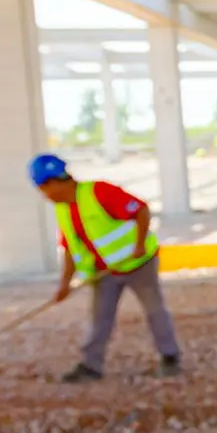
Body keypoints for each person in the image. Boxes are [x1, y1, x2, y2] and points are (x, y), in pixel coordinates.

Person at [29, 154, 181, 382]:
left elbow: (141, 210)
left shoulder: (99, 192)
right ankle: (91, 366)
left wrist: (139, 244)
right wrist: (64, 284)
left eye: (42, 189)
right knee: (100, 319)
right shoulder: (63, 210)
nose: (44, 196)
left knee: (154, 309)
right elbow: (71, 249)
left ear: (51, 183)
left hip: (139, 264)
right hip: (104, 272)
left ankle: (170, 357)